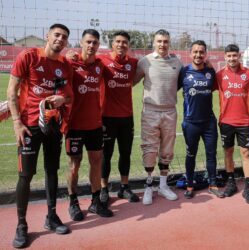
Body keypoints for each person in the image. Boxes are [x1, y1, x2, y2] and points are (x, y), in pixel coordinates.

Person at [7, 23, 73, 248]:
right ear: (48, 36)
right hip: (29, 126)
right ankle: (22, 225)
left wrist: (63, 100)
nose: (60, 39)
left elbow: (70, 97)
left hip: (52, 125)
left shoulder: (65, 65)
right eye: (57, 35)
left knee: (51, 170)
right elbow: (11, 90)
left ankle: (51, 217)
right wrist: (17, 123)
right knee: (25, 175)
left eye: (64, 37)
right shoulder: (28, 56)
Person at [65, 29, 113, 221]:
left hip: (95, 125)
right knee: (74, 166)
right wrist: (66, 55)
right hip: (74, 125)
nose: (92, 46)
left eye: (95, 42)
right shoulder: (70, 63)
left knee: (96, 162)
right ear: (81, 43)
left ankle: (95, 202)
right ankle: (73, 202)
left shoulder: (100, 66)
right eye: (88, 42)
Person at [134, 29, 182, 205]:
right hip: (150, 111)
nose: (162, 44)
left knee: (167, 150)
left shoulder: (177, 62)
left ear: (170, 43)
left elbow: (177, 84)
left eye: (166, 41)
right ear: (154, 42)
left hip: (170, 111)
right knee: (149, 149)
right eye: (159, 41)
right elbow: (131, 82)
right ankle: (148, 186)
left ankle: (163, 186)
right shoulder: (145, 61)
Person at [178, 40, 224, 199]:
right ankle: (190, 185)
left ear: (206, 54)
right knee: (191, 154)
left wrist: (210, 66)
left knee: (211, 154)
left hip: (209, 122)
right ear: (190, 54)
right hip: (190, 122)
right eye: (195, 52)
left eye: (201, 52)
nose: (198, 55)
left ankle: (213, 184)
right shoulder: (183, 72)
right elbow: (171, 90)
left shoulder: (211, 72)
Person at [98, 31, 140, 205]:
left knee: (125, 153)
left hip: (126, 118)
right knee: (105, 155)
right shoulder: (102, 60)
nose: (121, 45)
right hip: (107, 118)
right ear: (112, 43)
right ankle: (103, 189)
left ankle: (124, 187)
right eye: (118, 42)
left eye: (125, 42)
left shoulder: (133, 63)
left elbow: (136, 79)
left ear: (128, 45)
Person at [215, 44, 249, 204]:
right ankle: (231, 183)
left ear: (239, 56)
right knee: (228, 152)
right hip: (226, 121)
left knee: (246, 153)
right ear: (225, 57)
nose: (232, 58)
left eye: (234, 55)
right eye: (229, 56)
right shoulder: (219, 75)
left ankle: (247, 188)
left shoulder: (248, 74)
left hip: (244, 121)